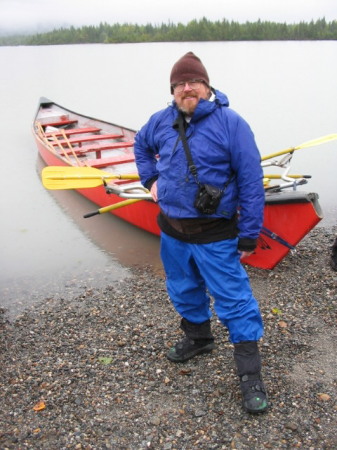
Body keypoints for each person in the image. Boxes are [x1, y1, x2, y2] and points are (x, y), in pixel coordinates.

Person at [134, 52, 268, 414]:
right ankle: (199, 338)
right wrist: (151, 178)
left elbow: (252, 181)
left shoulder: (231, 123)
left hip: (214, 233)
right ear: (173, 90)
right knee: (182, 286)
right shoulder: (160, 120)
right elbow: (141, 146)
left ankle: (250, 376)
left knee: (235, 300)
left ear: (207, 86)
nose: (187, 88)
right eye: (180, 84)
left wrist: (250, 234)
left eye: (194, 82)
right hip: (173, 232)